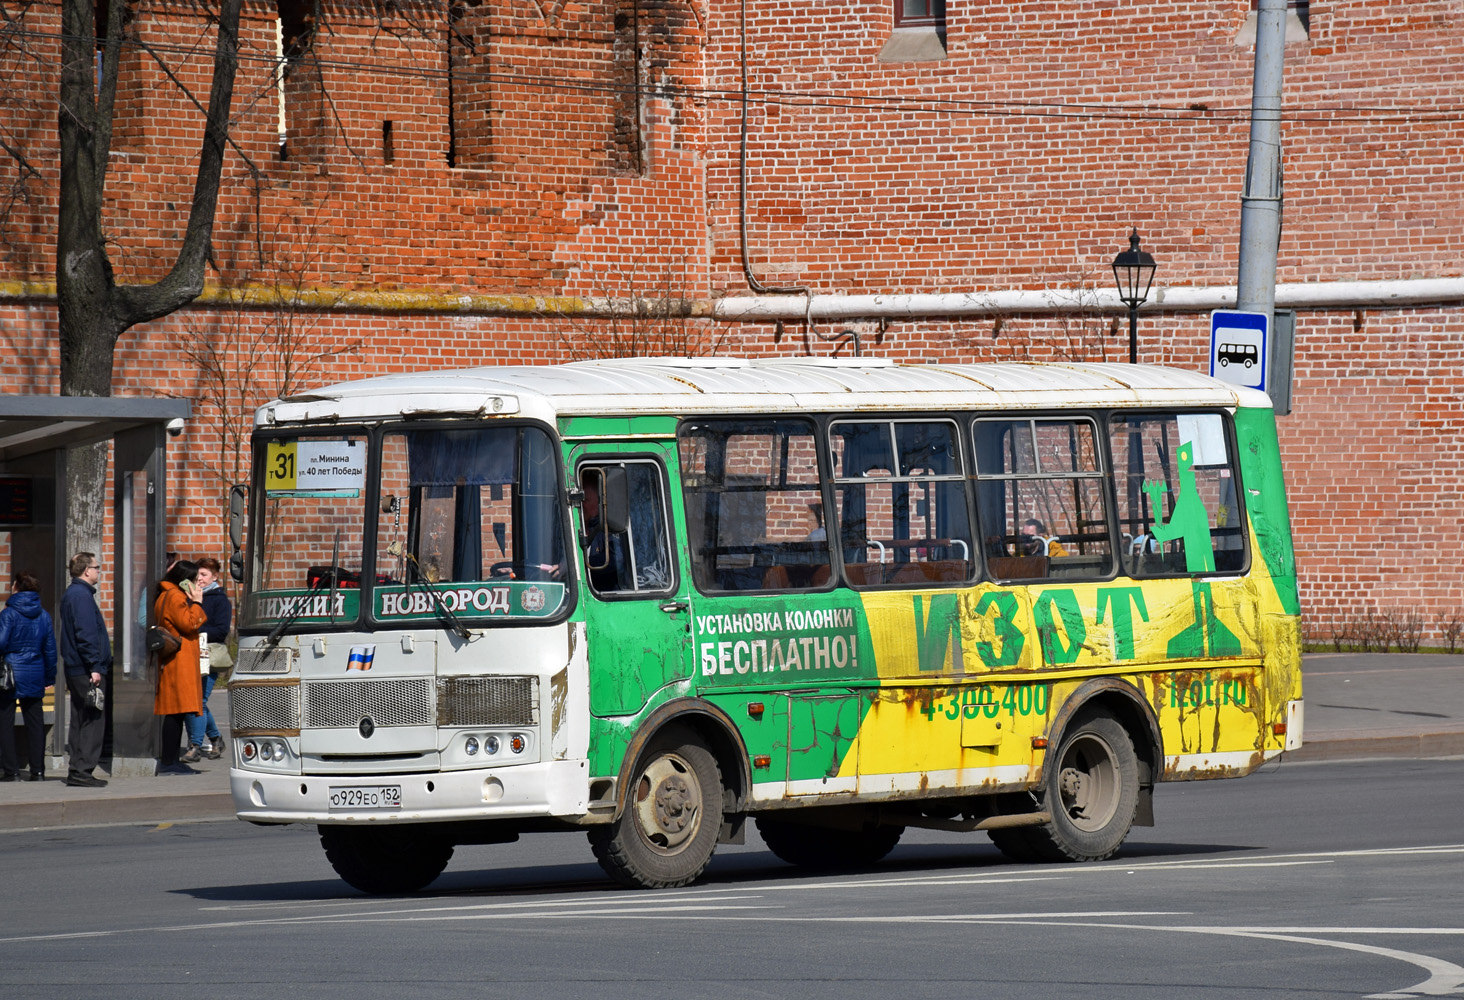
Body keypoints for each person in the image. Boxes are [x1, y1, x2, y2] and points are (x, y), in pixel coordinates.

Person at [0, 572, 57, 782]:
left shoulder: (8, 614)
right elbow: (50, 650)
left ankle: (11, 770)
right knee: (35, 722)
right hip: (35, 671)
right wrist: (50, 677)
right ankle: (38, 771)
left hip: (10, 674)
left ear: (16, 587)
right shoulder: (43, 615)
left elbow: (1, 643)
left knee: (4, 721)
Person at [59, 552, 110, 788]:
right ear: (86, 570)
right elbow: (86, 634)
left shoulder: (75, 594)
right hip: (86, 668)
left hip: (78, 667)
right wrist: (95, 666)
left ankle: (77, 769)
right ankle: (82, 769)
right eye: (97, 567)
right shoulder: (80, 596)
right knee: (92, 717)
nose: (99, 571)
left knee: (81, 716)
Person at [153, 560, 207, 776]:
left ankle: (171, 760)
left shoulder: (168, 594)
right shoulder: (175, 597)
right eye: (194, 580)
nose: (197, 584)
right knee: (176, 712)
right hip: (179, 660)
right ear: (184, 582)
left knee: (178, 711)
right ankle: (169, 761)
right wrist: (198, 603)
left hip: (177, 660)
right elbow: (189, 624)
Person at [184, 557, 231, 761]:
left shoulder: (219, 599)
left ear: (214, 576)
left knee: (199, 701)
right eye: (197, 575)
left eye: (204, 575)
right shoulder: (190, 597)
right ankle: (215, 738)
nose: (199, 579)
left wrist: (196, 628)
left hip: (209, 656)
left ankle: (194, 746)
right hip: (189, 655)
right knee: (197, 701)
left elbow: (221, 631)